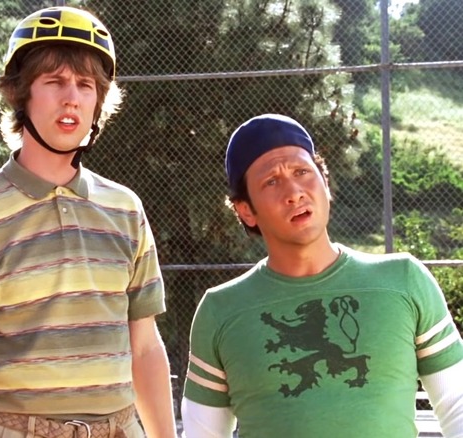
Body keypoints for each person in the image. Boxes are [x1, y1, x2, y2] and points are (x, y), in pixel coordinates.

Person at [0, 6, 176, 438]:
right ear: (21, 94)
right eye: (54, 82)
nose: (71, 97)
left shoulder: (126, 209)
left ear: (99, 101)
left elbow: (145, 346)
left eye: (85, 84)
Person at [181, 113, 463, 437]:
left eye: (302, 171)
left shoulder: (404, 280)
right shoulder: (220, 310)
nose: (294, 192)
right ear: (246, 210)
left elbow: (457, 405)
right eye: (271, 181)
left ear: (325, 182)